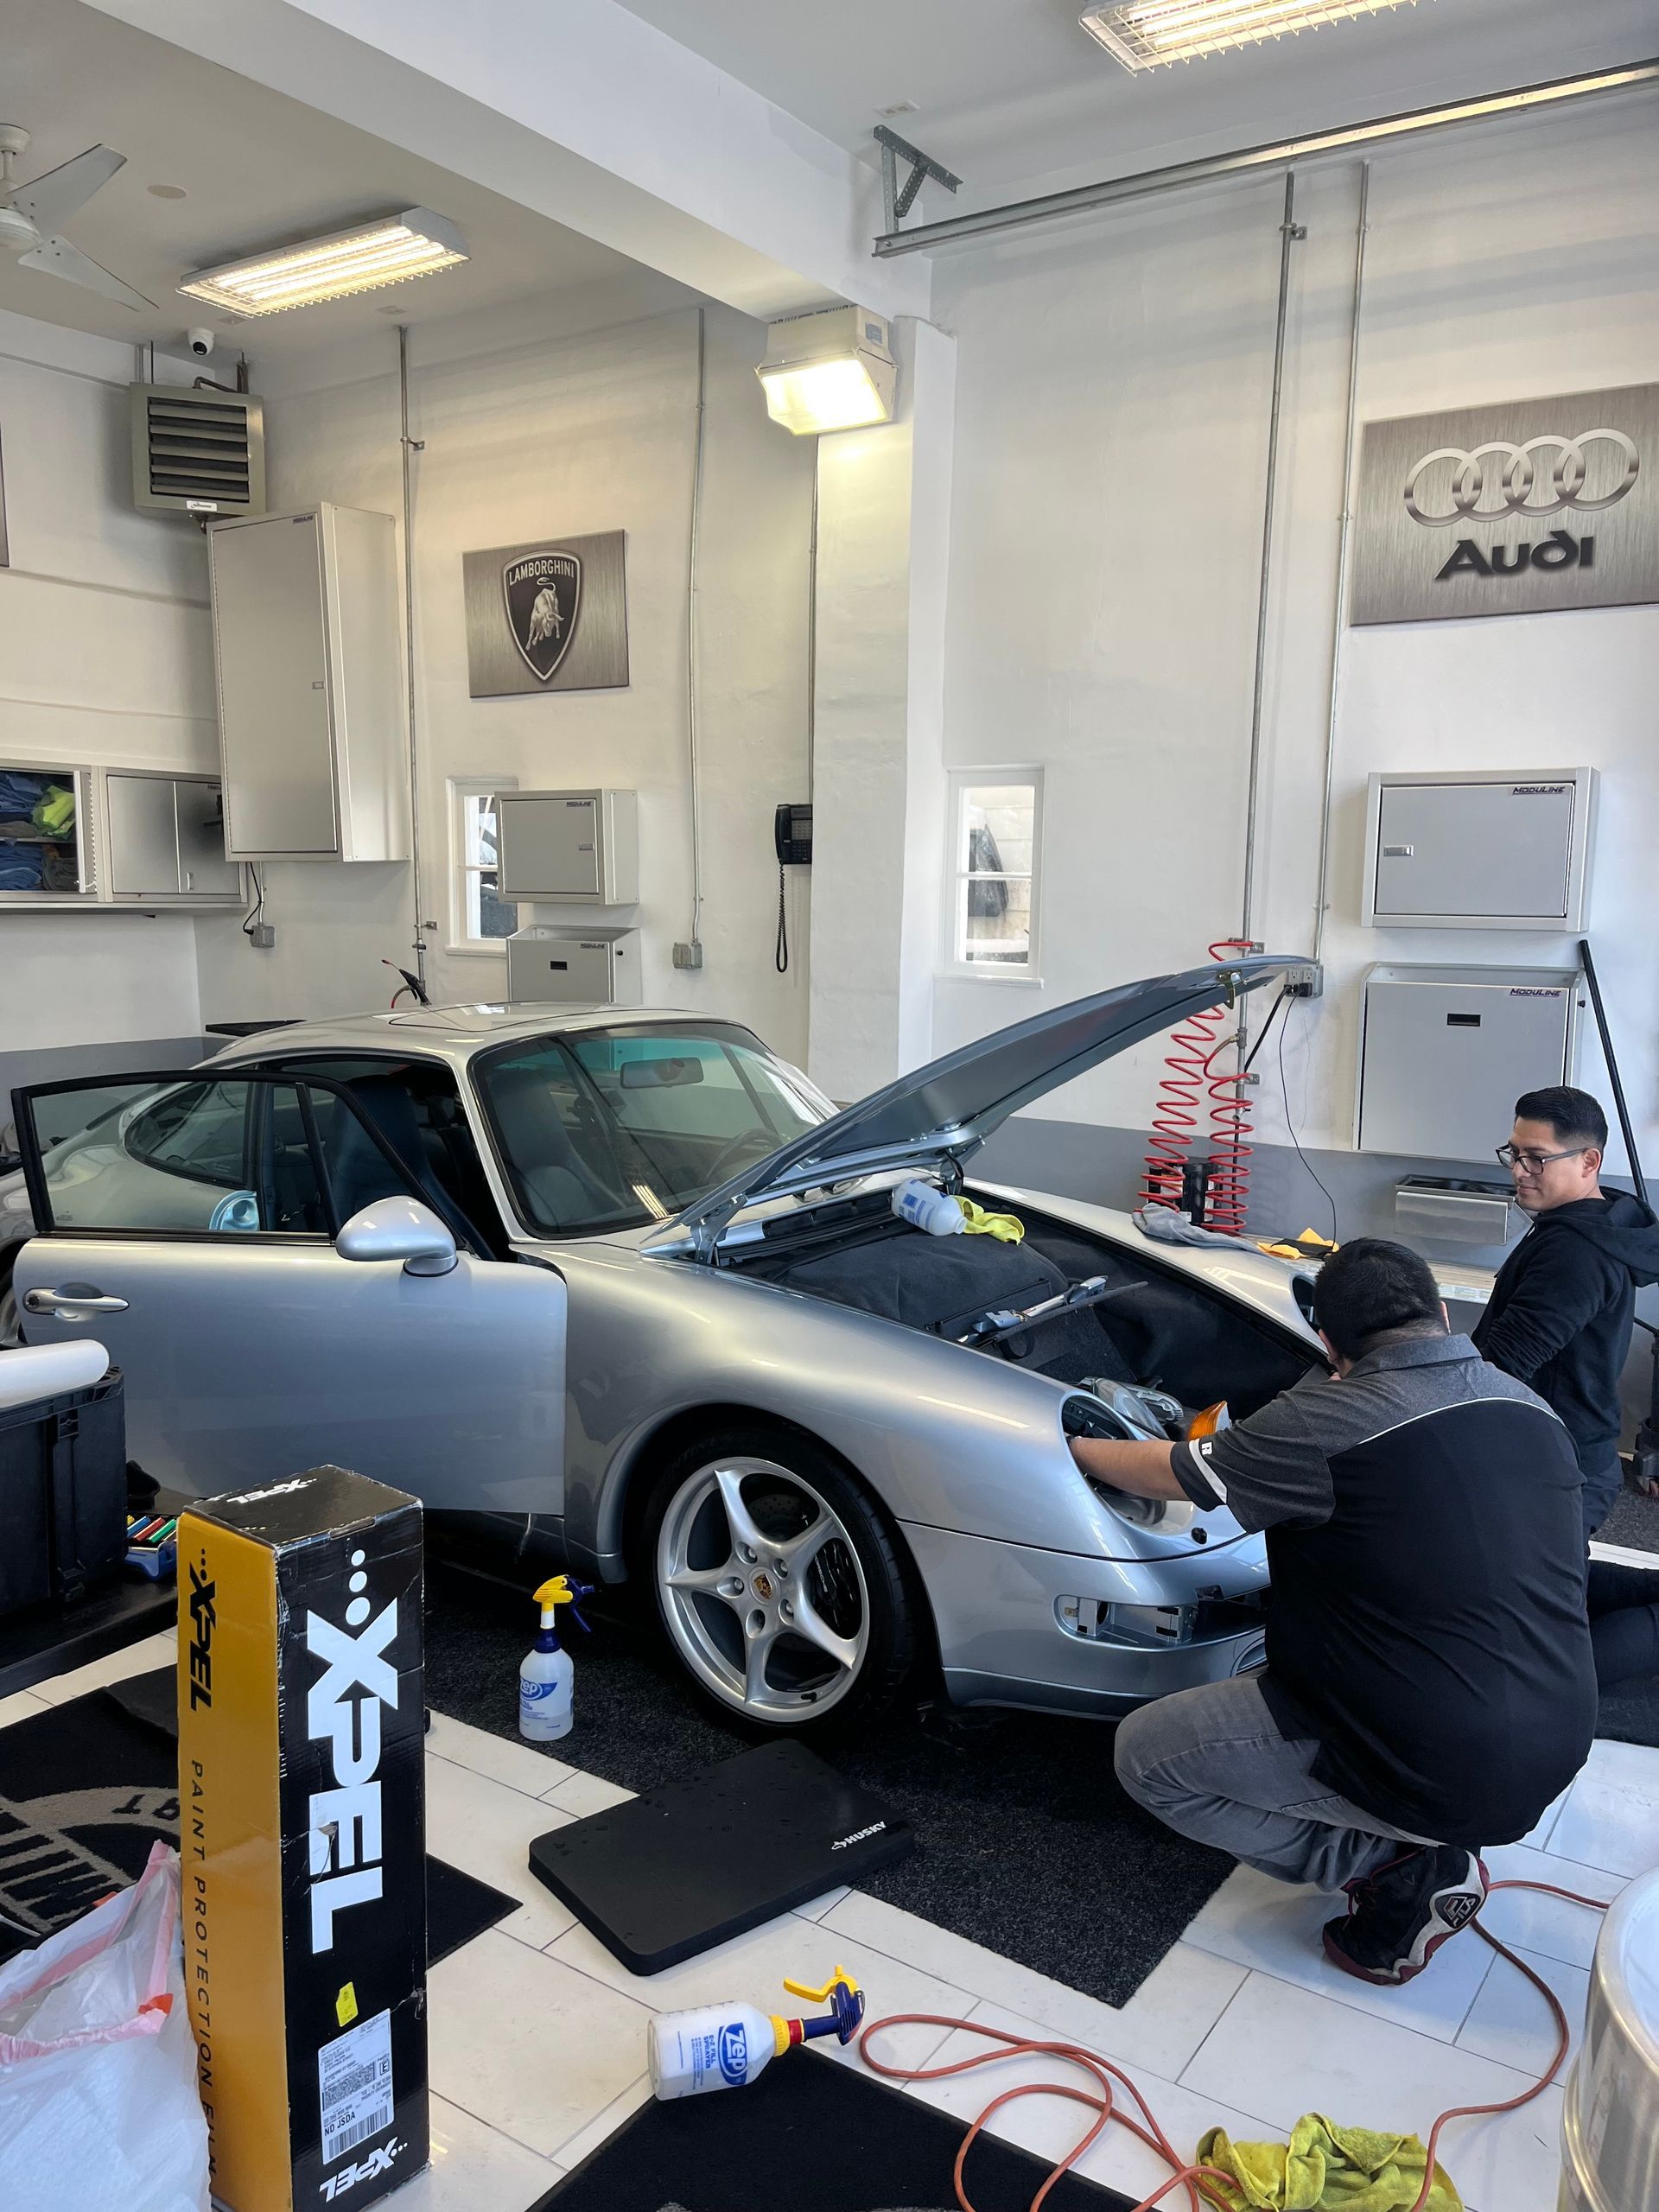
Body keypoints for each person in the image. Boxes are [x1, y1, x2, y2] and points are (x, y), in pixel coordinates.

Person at [1071, 1239, 1595, 1988]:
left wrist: (1075, 1443)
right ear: (1443, 1313)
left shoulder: (1324, 1420)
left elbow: (1176, 1472)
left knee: (1148, 1757)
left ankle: (1394, 1869)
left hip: (1441, 1763)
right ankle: (1416, 1830)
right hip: (1559, 1736)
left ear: (1328, 1344)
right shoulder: (1530, 1407)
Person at [1473, 1085, 1659, 1685]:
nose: (1521, 1171)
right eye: (1515, 1153)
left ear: (1588, 1162)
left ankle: (1567, 1680)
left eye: (1537, 1158)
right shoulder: (1597, 1221)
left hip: (1556, 1466)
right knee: (1549, 1589)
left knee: (1535, 1653)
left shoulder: (1575, 1253)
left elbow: (1503, 1362)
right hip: (1567, 1451)